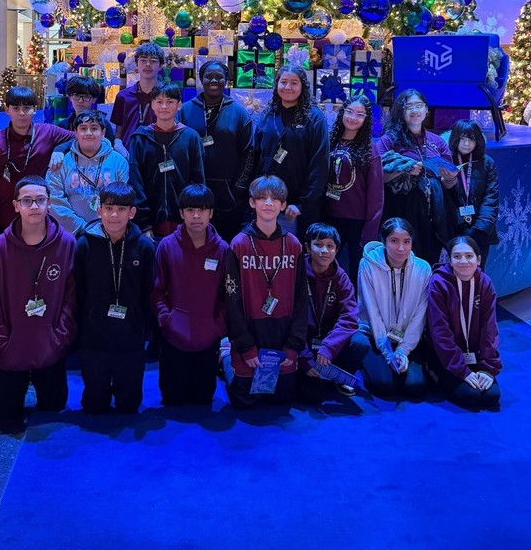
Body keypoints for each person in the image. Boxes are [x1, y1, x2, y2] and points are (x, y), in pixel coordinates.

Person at [0, 175, 76, 430]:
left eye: (40, 200)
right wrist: (1, 341)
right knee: (5, 414)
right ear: (16, 205)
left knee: (54, 407)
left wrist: (60, 338)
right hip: (11, 348)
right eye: (27, 201)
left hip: (50, 347)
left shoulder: (67, 243)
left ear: (49, 204)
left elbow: (72, 298)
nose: (34, 207)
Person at [222, 175, 308, 409]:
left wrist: (293, 344)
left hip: (283, 332)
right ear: (252, 203)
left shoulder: (293, 244)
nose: (268, 203)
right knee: (245, 401)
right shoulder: (238, 244)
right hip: (250, 331)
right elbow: (232, 300)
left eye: (274, 199)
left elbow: (302, 297)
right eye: (262, 198)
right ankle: (226, 357)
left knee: (282, 399)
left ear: (283, 205)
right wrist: (245, 346)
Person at [74, 182, 155, 414]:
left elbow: (148, 291)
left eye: (121, 209)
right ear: (98, 210)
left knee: (129, 406)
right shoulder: (84, 245)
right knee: (94, 405)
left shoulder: (144, 248)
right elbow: (78, 290)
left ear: (132, 213)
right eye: (108, 208)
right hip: (94, 334)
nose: (114, 215)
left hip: (131, 335)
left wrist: (144, 329)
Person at [152, 184, 228, 406]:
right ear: (181, 213)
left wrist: (218, 327)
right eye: (190, 210)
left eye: (202, 210)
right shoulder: (166, 246)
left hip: (208, 336)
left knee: (202, 400)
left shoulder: (223, 249)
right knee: (173, 399)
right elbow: (157, 291)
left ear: (211, 213)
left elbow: (228, 295)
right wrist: (167, 320)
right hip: (174, 335)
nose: (196, 216)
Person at [0, 85, 74, 245]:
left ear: (35, 110)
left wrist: (59, 149)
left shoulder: (48, 132)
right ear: (7, 110)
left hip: (42, 220)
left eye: (27, 108)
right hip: (5, 221)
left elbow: (78, 138)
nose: (21, 113)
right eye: (15, 108)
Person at [378, 89, 458, 266]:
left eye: (419, 105)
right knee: (403, 258)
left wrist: (450, 179)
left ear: (426, 110)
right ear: (401, 110)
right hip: (402, 208)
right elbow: (377, 176)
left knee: (430, 257)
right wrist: (404, 169)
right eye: (409, 106)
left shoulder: (437, 141)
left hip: (435, 210)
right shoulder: (389, 139)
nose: (415, 110)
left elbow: (448, 182)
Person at [179, 60, 254, 242]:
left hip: (229, 195)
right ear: (201, 80)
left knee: (227, 245)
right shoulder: (186, 110)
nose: (214, 81)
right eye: (209, 77)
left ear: (227, 81)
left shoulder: (238, 112)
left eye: (219, 77)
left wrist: (238, 188)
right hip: (194, 193)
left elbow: (249, 153)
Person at [357, 217, 431, 400]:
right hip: (375, 336)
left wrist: (402, 351)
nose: (401, 248)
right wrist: (387, 352)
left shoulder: (423, 269)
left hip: (406, 339)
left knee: (415, 387)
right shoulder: (368, 265)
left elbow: (420, 316)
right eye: (394, 241)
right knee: (385, 386)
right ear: (384, 242)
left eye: (407, 242)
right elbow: (372, 313)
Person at [425, 236, 501, 411]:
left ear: (479, 259)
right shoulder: (439, 283)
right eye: (457, 256)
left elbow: (489, 329)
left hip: (474, 353)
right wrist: (463, 371)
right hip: (446, 354)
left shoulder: (485, 283)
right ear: (450, 260)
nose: (463, 261)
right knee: (470, 396)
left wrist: (488, 369)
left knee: (491, 397)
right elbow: (440, 333)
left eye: (469, 256)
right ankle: (433, 372)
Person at [296, 223, 370, 404]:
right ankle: (309, 371)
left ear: (337, 250)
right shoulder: (295, 274)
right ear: (307, 247)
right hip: (302, 344)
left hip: (329, 344)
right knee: (309, 397)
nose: (324, 250)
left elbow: (349, 317)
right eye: (319, 244)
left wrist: (329, 346)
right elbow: (289, 320)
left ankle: (338, 376)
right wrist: (304, 357)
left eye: (330, 246)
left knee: (360, 343)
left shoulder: (341, 277)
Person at [253, 64, 329, 238]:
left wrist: (303, 204)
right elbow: (256, 156)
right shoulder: (268, 114)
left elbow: (320, 165)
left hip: (297, 208)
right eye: (283, 82)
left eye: (294, 83)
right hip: (267, 202)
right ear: (277, 85)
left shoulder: (314, 118)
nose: (288, 87)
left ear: (302, 87)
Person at [128, 82, 205, 240]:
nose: (164, 106)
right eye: (159, 101)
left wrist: (193, 215)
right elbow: (136, 182)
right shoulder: (140, 138)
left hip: (184, 221)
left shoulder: (190, 137)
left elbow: (197, 180)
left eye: (170, 102)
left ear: (179, 105)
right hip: (149, 222)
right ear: (152, 105)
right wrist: (143, 223)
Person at [321, 94, 384, 288]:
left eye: (360, 114)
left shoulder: (370, 149)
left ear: (366, 119)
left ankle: (354, 314)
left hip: (356, 221)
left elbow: (376, 195)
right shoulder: (330, 141)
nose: (353, 117)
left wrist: (370, 231)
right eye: (349, 111)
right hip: (329, 217)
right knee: (326, 269)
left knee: (356, 273)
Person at [47, 110, 129, 236]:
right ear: (76, 132)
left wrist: (105, 229)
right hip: (71, 234)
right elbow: (54, 201)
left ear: (103, 132)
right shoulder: (60, 162)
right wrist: (81, 228)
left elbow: (123, 200)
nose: (88, 133)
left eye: (94, 128)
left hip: (110, 233)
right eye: (83, 128)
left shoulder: (118, 162)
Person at [446, 120, 499, 269]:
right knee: (454, 274)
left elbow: (491, 199)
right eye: (462, 138)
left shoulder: (488, 163)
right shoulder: (446, 161)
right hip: (454, 231)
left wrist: (479, 230)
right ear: (455, 138)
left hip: (481, 233)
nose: (466, 144)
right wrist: (461, 227)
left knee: (477, 273)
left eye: (471, 139)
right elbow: (446, 199)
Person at [111, 42, 165, 150]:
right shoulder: (123, 96)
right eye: (143, 60)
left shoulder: (167, 97)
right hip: (128, 154)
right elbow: (118, 132)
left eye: (153, 61)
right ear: (136, 64)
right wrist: (118, 145)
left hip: (159, 154)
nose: (148, 64)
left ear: (160, 66)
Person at [58, 75, 115, 144]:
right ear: (70, 97)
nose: (80, 100)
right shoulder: (63, 125)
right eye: (76, 95)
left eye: (86, 96)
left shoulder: (104, 124)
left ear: (94, 99)